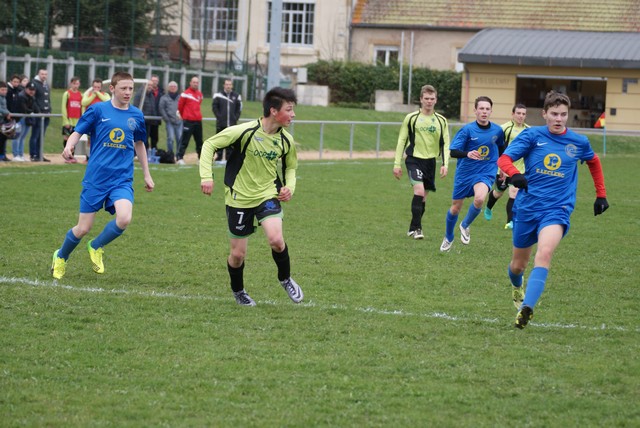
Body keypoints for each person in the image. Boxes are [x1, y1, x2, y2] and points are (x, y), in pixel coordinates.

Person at [497, 91, 609, 329]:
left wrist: (601, 194)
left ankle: (527, 308)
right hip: (528, 207)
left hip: (557, 208)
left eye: (563, 115)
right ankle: (517, 287)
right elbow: (504, 159)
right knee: (518, 266)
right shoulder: (532, 136)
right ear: (545, 114)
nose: (559, 119)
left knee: (545, 253)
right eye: (555, 114)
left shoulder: (578, 142)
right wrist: (515, 175)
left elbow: (594, 161)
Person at [199, 87, 302, 306]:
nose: (293, 115)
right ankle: (239, 291)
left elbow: (291, 167)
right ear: (273, 111)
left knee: (276, 240)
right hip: (239, 197)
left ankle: (285, 278)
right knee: (237, 255)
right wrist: (206, 176)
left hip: (268, 194)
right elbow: (209, 144)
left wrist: (289, 187)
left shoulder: (286, 140)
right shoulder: (245, 131)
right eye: (289, 109)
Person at [50, 71, 155, 280]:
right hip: (96, 178)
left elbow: (140, 144)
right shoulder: (98, 110)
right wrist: (69, 146)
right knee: (83, 228)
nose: (128, 92)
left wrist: (147, 174)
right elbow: (78, 131)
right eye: (123, 88)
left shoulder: (136, 115)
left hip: (121, 178)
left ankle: (96, 246)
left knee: (124, 218)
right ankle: (61, 256)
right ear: (112, 89)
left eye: (130, 88)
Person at [440, 96, 505, 252]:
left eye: (487, 109)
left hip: (486, 171)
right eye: (481, 108)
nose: (484, 112)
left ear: (491, 111)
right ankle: (448, 236)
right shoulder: (467, 130)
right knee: (455, 208)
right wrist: (467, 154)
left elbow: (502, 148)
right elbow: (453, 152)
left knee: (480, 198)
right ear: (475, 110)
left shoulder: (497, 130)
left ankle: (465, 225)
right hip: (465, 173)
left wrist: (503, 167)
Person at [393, 84, 450, 240]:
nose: (429, 101)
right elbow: (401, 140)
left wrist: (445, 164)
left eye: (432, 99)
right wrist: (397, 164)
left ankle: (412, 227)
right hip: (413, 159)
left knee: (423, 197)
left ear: (436, 100)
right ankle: (418, 229)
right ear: (421, 99)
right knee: (418, 191)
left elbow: (445, 144)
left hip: (430, 162)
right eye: (426, 98)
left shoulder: (441, 121)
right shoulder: (411, 118)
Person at [484, 104, 529, 228]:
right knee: (498, 193)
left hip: (519, 169)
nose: (521, 116)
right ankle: (488, 207)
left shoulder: (528, 130)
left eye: (523, 114)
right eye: (518, 113)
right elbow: (496, 147)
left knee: (514, 193)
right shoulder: (504, 128)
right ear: (512, 114)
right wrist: (501, 167)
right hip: (503, 168)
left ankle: (510, 222)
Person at [212, 78, 242, 164]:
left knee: (231, 144)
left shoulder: (236, 96)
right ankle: (219, 159)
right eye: (226, 84)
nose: (228, 86)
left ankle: (229, 160)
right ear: (224, 85)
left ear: (232, 86)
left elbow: (239, 109)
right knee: (220, 142)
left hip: (232, 125)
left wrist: (235, 118)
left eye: (230, 84)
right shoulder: (218, 95)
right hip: (221, 124)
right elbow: (214, 108)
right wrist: (219, 117)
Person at [82, 78, 112, 163]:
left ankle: (99, 157)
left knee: (101, 139)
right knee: (89, 140)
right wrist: (93, 95)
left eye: (98, 87)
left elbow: (108, 101)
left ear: (101, 87)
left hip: (102, 122)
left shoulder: (105, 94)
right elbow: (84, 103)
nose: (96, 89)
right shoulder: (88, 94)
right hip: (90, 121)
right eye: (95, 87)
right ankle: (88, 157)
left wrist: (98, 94)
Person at [176, 76, 203, 165]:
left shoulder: (200, 94)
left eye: (197, 82)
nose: (195, 84)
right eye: (194, 82)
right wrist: (184, 115)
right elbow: (180, 106)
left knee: (199, 141)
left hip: (198, 121)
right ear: (190, 83)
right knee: (185, 140)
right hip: (188, 121)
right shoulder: (185, 94)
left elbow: (199, 104)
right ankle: (179, 158)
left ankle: (201, 158)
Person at [133, 74, 163, 149]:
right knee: (142, 140)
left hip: (150, 121)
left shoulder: (151, 95)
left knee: (150, 139)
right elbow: (136, 107)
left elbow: (152, 107)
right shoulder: (140, 94)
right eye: (148, 85)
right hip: (143, 120)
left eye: (151, 85)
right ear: (144, 85)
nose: (150, 87)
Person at [13, 81, 39, 162]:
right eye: (30, 89)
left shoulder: (32, 97)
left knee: (23, 137)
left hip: (27, 119)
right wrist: (31, 112)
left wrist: (34, 112)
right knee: (17, 136)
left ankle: (21, 154)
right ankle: (16, 154)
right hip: (19, 119)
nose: (32, 91)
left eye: (33, 90)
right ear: (26, 89)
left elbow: (34, 108)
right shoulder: (21, 96)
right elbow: (24, 109)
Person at [30, 69, 51, 162]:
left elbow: (48, 99)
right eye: (42, 74)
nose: (44, 76)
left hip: (46, 114)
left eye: (45, 74)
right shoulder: (34, 83)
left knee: (41, 136)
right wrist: (38, 111)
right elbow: (33, 99)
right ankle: (33, 154)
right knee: (35, 135)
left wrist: (49, 110)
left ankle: (39, 154)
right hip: (38, 114)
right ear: (38, 74)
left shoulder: (46, 85)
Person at [61, 76, 83, 163]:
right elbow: (63, 107)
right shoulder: (67, 94)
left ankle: (72, 156)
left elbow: (82, 108)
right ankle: (67, 156)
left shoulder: (81, 95)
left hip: (77, 121)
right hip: (68, 120)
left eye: (77, 84)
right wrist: (65, 121)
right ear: (71, 84)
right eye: (74, 83)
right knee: (66, 138)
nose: (75, 85)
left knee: (74, 139)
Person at [158, 81, 182, 154]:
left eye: (174, 86)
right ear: (168, 88)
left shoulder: (181, 97)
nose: (173, 88)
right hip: (169, 122)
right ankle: (170, 154)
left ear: (177, 88)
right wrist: (166, 119)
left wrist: (182, 117)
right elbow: (161, 108)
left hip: (179, 122)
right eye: (171, 86)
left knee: (179, 138)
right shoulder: (164, 98)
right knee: (170, 138)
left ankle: (179, 155)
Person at [0, 81, 12, 161]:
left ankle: (2, 155)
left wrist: (7, 113)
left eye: (5, 90)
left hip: (2, 121)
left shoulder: (4, 98)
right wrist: (7, 113)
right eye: (2, 90)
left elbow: (4, 108)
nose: (4, 91)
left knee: (3, 138)